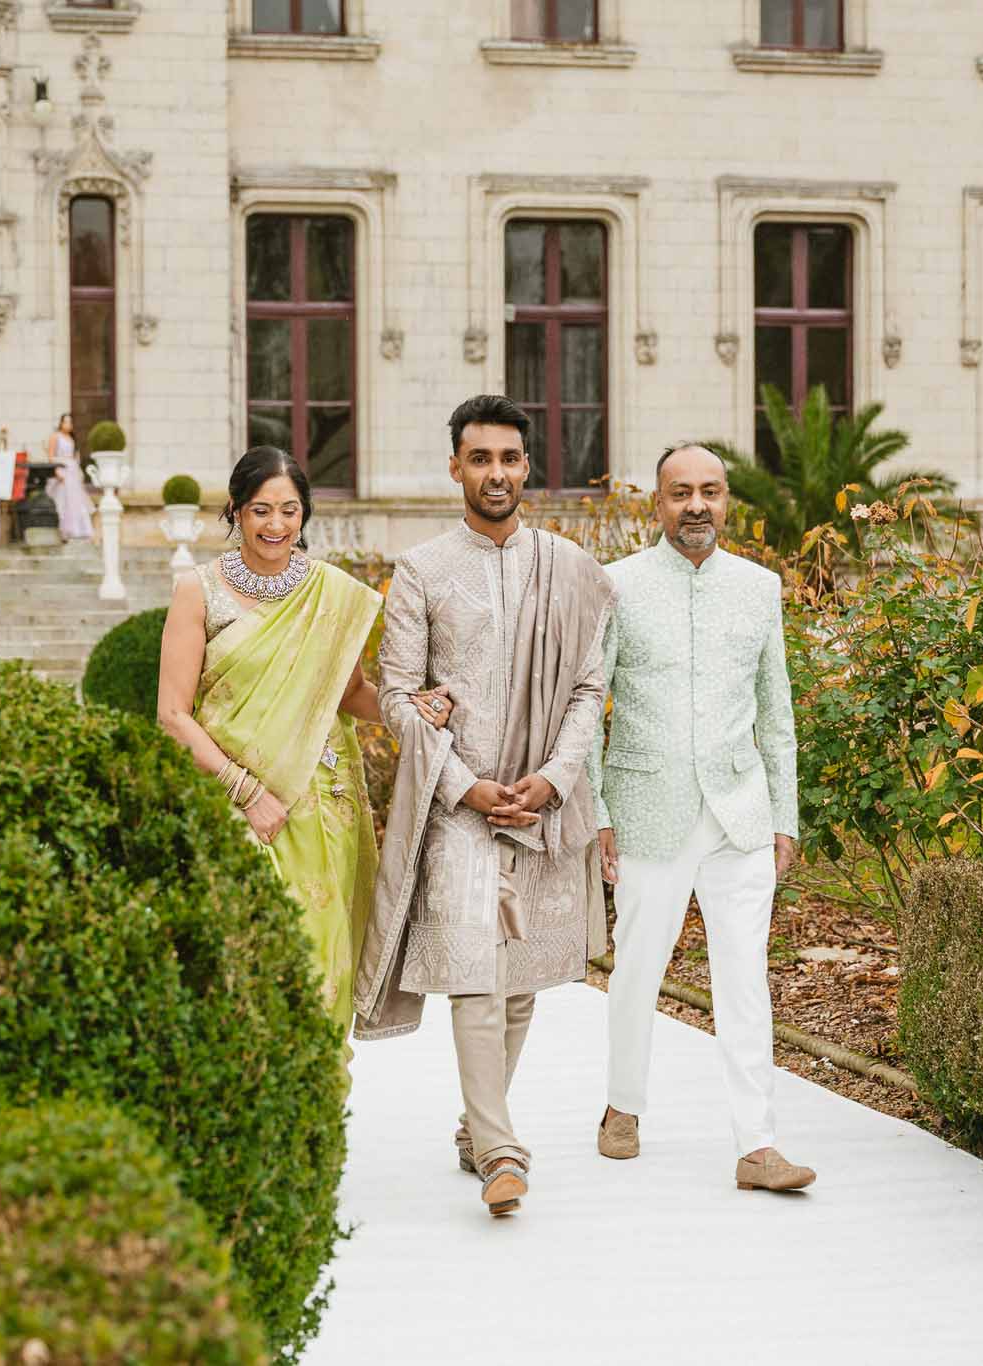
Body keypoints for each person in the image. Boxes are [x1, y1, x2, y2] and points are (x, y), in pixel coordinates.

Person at [353, 394, 615, 1218]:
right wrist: (465, 785)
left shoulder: (570, 568)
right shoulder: (424, 570)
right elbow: (398, 697)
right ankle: (503, 1150)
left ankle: (476, 1127)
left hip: (542, 798)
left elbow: (588, 689)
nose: (495, 473)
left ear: (526, 466)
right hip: (456, 801)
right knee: (474, 969)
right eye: (480, 459)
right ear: (456, 466)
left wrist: (554, 778)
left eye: (509, 459)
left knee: (522, 978)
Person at [156, 446, 454, 1046]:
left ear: (304, 516)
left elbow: (352, 695)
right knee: (243, 957)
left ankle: (317, 1102)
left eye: (289, 511)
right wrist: (247, 792)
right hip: (234, 803)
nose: (275, 525)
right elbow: (171, 715)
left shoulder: (330, 594)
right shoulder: (199, 591)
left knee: (322, 960)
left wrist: (411, 709)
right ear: (236, 513)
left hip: (323, 806)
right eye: (261, 510)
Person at [587, 443, 814, 1194]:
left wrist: (785, 814)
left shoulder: (759, 588)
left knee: (745, 979)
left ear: (727, 502)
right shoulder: (615, 586)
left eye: (710, 492)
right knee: (638, 970)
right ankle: (623, 1105)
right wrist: (595, 811)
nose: (696, 505)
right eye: (680, 492)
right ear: (657, 503)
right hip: (647, 810)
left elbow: (776, 713)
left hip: (740, 816)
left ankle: (758, 1145)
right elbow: (588, 707)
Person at [48, 412, 93, 542]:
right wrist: (56, 471)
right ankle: (63, 530)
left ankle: (76, 529)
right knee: (63, 501)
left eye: (70, 422)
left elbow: (74, 457)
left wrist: (78, 472)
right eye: (65, 422)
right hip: (62, 471)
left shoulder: (72, 439)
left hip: (72, 472)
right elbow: (50, 456)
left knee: (75, 501)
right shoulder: (55, 437)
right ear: (61, 423)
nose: (68, 425)